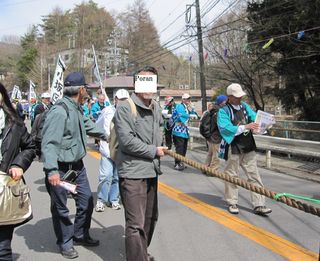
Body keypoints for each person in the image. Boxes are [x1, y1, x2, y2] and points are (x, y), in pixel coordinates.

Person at [41, 72, 108, 259]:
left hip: (77, 167)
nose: (86, 90)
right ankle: (65, 242)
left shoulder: (76, 109)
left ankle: (80, 234)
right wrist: (52, 170)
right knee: (61, 208)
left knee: (86, 201)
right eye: (85, 87)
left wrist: (112, 136)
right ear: (80, 90)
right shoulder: (59, 111)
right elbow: (49, 144)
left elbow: (90, 127)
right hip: (60, 169)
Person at [114, 66, 166, 261]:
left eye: (151, 81)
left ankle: (141, 253)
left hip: (151, 171)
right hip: (132, 172)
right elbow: (126, 142)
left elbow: (160, 131)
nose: (147, 86)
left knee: (151, 219)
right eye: (143, 81)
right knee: (135, 224)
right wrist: (153, 151)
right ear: (136, 84)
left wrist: (162, 146)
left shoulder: (156, 107)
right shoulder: (126, 107)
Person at [217, 83, 272, 215]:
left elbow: (255, 120)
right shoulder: (223, 111)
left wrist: (263, 125)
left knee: (254, 175)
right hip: (233, 146)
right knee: (231, 176)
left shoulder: (245, 107)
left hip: (248, 145)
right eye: (237, 96)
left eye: (241, 95)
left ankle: (259, 204)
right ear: (229, 97)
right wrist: (246, 127)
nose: (240, 98)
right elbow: (225, 128)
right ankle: (232, 202)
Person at [0, 83, 36, 261]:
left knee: (3, 247)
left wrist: (19, 164)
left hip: (5, 190)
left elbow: (30, 147)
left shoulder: (15, 123)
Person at [95, 89, 130, 212]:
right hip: (107, 149)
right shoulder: (107, 111)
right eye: (120, 100)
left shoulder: (130, 112)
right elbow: (97, 126)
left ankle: (114, 199)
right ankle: (101, 199)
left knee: (117, 176)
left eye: (125, 100)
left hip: (121, 151)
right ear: (115, 99)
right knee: (106, 175)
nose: (122, 102)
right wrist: (102, 138)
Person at [203, 95, 228, 170]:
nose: (226, 102)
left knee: (210, 154)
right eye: (225, 101)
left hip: (209, 136)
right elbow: (220, 125)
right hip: (216, 136)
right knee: (216, 155)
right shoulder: (219, 112)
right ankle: (213, 170)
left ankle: (205, 168)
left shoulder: (212, 110)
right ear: (221, 102)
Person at [172, 93, 191, 171]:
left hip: (184, 130)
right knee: (179, 148)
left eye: (189, 99)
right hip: (178, 129)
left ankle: (181, 162)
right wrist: (189, 116)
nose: (188, 101)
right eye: (186, 99)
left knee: (184, 148)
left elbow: (191, 113)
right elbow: (181, 115)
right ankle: (177, 163)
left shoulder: (186, 107)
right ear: (183, 100)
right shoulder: (179, 106)